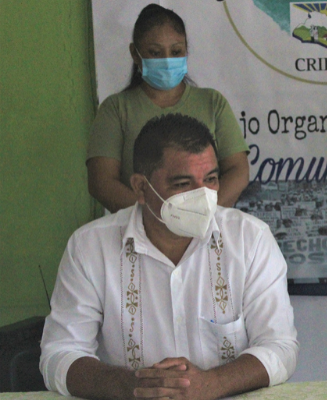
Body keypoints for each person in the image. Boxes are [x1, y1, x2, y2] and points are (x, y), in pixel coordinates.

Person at [41, 114, 298, 399]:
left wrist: (211, 384)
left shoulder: (250, 239)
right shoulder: (90, 247)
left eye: (211, 179)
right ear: (140, 188)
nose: (203, 196)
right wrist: (138, 385)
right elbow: (60, 354)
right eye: (183, 184)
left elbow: (280, 348)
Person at [87, 4, 249, 213]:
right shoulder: (116, 109)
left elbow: (238, 170)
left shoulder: (212, 103)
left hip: (206, 227)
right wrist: (158, 220)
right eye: (155, 52)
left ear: (186, 50)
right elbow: (101, 182)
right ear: (135, 54)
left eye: (176, 51)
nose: (167, 60)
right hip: (139, 229)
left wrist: (205, 216)